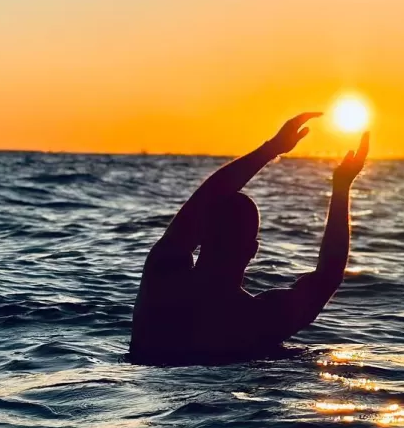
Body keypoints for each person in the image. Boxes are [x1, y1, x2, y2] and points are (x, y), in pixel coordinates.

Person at [129, 113, 369, 365]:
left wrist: (271, 149)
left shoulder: (163, 280)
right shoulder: (260, 319)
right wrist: (341, 187)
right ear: (253, 249)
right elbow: (328, 276)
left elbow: (205, 198)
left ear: (201, 236)